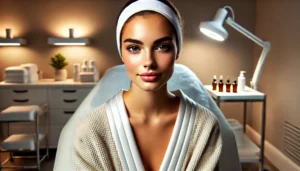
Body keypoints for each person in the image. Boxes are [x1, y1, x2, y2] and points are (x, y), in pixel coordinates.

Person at [72, 0, 222, 170]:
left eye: (162, 47)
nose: (149, 62)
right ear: (121, 52)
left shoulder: (204, 126)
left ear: (177, 50)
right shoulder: (92, 130)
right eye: (134, 48)